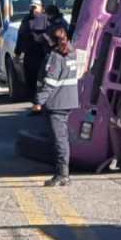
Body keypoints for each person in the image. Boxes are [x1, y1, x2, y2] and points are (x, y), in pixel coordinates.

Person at [36, 25, 80, 187]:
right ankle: (62, 173)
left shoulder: (56, 56)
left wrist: (38, 101)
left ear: (51, 40)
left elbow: (50, 82)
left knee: (59, 140)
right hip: (68, 100)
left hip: (57, 102)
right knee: (62, 139)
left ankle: (62, 174)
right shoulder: (71, 51)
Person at [16, 0, 49, 109]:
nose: (33, 9)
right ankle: (35, 105)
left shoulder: (46, 19)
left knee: (43, 81)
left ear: (41, 7)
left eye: (35, 7)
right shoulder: (26, 20)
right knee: (30, 81)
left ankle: (43, 104)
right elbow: (20, 37)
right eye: (32, 7)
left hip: (42, 55)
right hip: (29, 56)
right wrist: (18, 52)